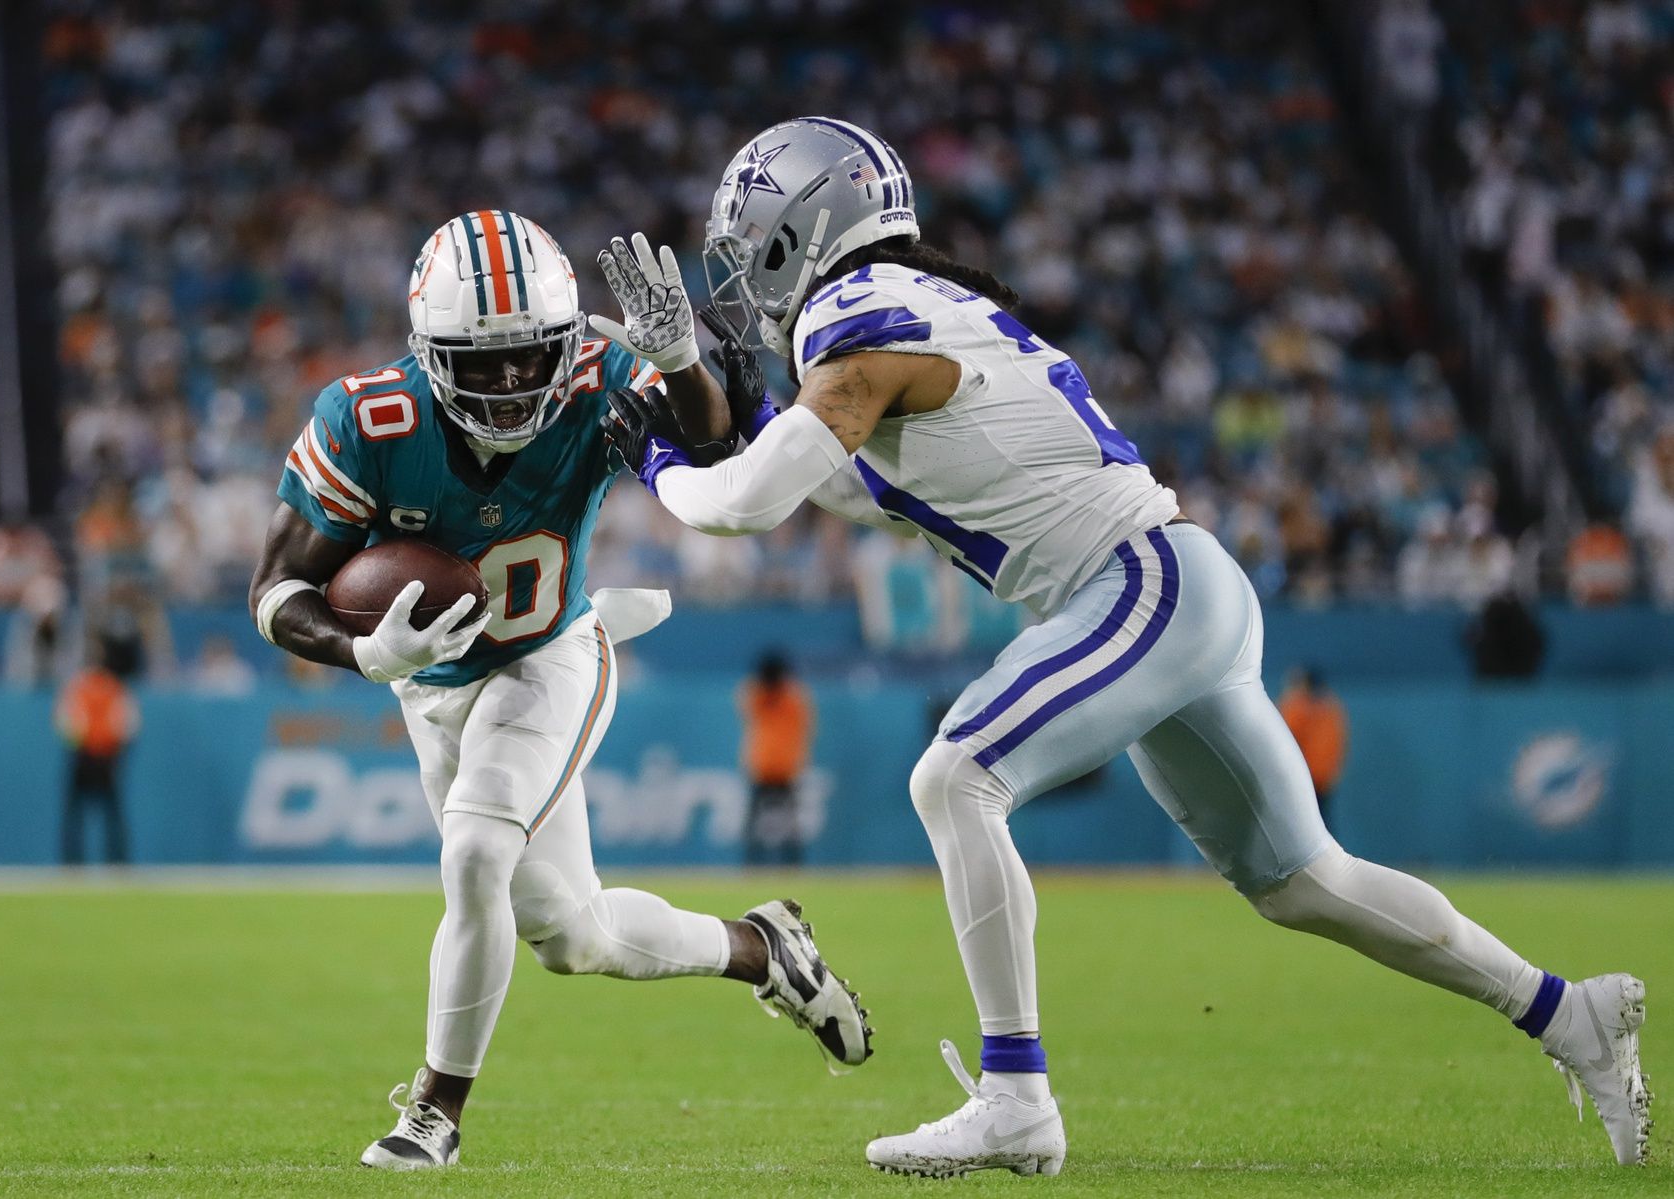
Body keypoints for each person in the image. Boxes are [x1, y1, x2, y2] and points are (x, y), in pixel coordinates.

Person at [604, 119, 1649, 1174]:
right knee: (1300, 879)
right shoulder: (912, 314)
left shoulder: (855, 314)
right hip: (1170, 587)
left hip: (1137, 581)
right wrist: (683, 371)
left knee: (955, 776)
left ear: (800, 231)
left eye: (747, 251)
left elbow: (737, 501)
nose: (740, 279)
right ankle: (1570, 1014)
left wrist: (651, 461)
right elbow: (780, 468)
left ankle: (1016, 1097)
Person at [247, 211, 871, 1171]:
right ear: (428, 352)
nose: (507, 384)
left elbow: (712, 458)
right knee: (572, 936)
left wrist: (682, 363)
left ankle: (432, 1115)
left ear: (564, 339)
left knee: (474, 854)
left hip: (551, 653)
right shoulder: (371, 418)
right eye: (480, 363)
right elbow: (276, 590)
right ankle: (762, 947)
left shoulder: (600, 369)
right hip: (434, 685)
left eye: (528, 357)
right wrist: (359, 653)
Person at [54, 639, 138, 864]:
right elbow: (128, 724)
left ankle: (73, 862)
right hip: (106, 757)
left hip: (85, 756)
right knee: (110, 815)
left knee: (79, 814)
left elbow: (66, 723)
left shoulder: (78, 687)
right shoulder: (113, 687)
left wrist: (80, 743)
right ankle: (116, 862)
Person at [739, 650, 813, 865]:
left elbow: (746, 696)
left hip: (772, 766)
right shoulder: (792, 698)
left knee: (776, 822)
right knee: (779, 821)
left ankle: (762, 861)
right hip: (776, 766)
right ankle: (780, 862)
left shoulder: (771, 698)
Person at [1276, 666, 1348, 830]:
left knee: (1300, 823)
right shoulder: (1331, 707)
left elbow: (1282, 737)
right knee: (1321, 823)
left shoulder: (1297, 706)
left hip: (1303, 774)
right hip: (1324, 776)